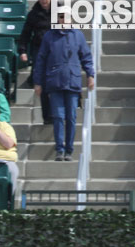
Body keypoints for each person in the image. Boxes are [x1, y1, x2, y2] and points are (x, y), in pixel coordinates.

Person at [33, 11, 95, 162]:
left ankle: (69, 150)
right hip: (55, 83)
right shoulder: (49, 36)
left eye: (66, 17)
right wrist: (38, 82)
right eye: (60, 17)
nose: (63, 19)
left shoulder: (77, 35)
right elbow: (41, 59)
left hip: (72, 82)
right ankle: (59, 150)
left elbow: (86, 56)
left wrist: (90, 75)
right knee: (58, 117)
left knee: (71, 117)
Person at [18, 0, 53, 123]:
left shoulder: (60, 11)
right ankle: (47, 117)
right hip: (40, 50)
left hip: (56, 52)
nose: (44, 0)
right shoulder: (33, 14)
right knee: (42, 85)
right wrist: (23, 51)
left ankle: (58, 115)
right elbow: (26, 34)